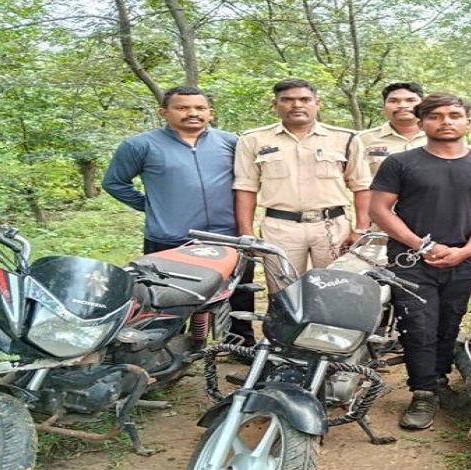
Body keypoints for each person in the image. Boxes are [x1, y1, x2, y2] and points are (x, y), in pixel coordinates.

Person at [369, 93, 471, 429]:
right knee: (419, 325)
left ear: (468, 122)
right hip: (410, 258)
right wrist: (420, 245)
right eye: (435, 116)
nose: (446, 122)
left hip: (461, 258)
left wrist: (467, 250)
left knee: (450, 320)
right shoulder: (400, 163)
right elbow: (379, 209)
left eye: (454, 115)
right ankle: (423, 393)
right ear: (421, 123)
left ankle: (440, 380)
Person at [103, 85, 255, 344]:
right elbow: (115, 183)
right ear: (164, 112)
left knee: (238, 292)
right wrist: (151, 205)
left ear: (210, 112)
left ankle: (240, 343)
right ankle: (169, 350)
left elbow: (248, 181)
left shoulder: (230, 142)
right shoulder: (140, 145)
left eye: (199, 108)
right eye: (182, 108)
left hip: (228, 236)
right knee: (169, 297)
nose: (192, 113)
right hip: (170, 238)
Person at [233, 78, 369, 291]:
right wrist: (247, 233)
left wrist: (361, 228)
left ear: (317, 103)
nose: (296, 105)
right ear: (275, 104)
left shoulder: (345, 138)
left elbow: (362, 186)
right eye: (287, 100)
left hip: (332, 227)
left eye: (305, 99)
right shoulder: (253, 140)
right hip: (280, 228)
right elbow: (245, 188)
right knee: (284, 292)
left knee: (336, 290)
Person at [346, 82, 428, 193]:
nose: (403, 105)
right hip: (379, 202)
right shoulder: (362, 140)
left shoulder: (439, 138)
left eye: (410, 100)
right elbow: (356, 183)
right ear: (384, 107)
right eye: (393, 101)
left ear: (423, 105)